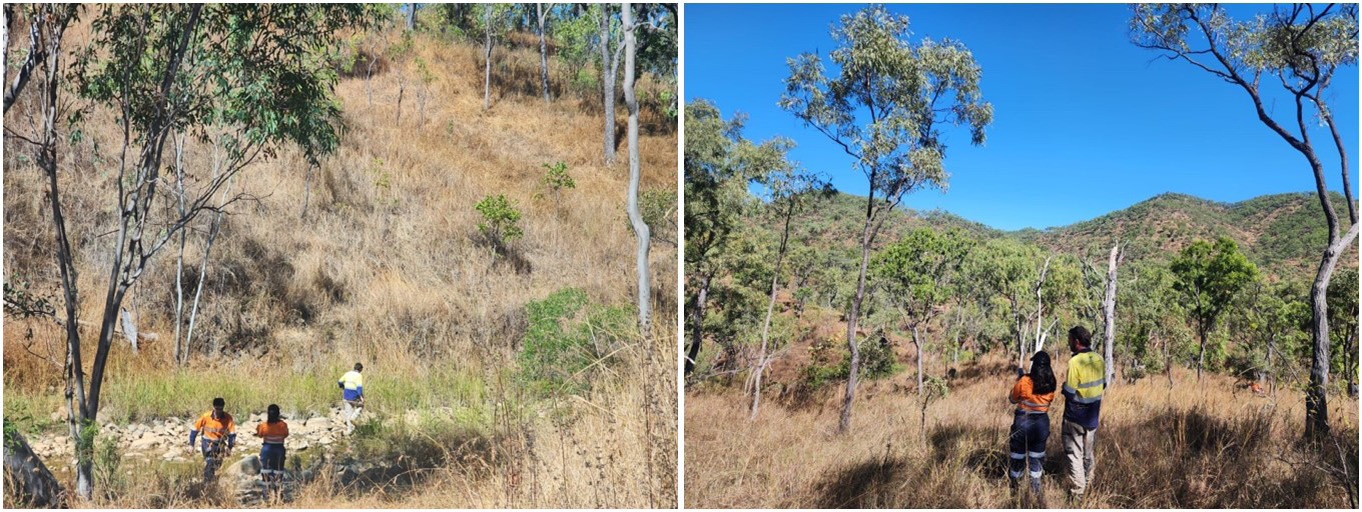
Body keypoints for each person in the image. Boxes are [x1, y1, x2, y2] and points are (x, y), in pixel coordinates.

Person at [1060, 326, 1106, 503]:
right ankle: (1089, 485)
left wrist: (1064, 388)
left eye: (1070, 340)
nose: (1068, 343)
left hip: (1074, 417)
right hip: (1092, 416)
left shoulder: (1075, 362)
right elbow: (1103, 385)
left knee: (1074, 455)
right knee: (1088, 454)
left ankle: (1078, 494)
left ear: (1077, 341)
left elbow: (1070, 392)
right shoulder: (1099, 359)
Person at [1008, 350, 1057, 499]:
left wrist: (1021, 379)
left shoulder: (1024, 382)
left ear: (1034, 365)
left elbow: (1012, 399)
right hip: (1041, 423)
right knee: (1036, 458)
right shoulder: (1051, 383)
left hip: (1023, 422)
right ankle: (1036, 491)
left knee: (1017, 457)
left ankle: (1015, 491)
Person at [189, 397, 236, 482]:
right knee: (210, 461)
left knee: (217, 464)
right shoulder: (206, 416)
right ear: (213, 407)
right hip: (207, 442)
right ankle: (207, 483)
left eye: (221, 409)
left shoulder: (228, 418)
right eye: (217, 408)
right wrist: (191, 445)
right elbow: (194, 430)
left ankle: (211, 476)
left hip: (220, 443)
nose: (219, 411)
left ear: (223, 407)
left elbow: (232, 434)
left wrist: (229, 448)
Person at [254, 404, 289, 489]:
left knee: (266, 473)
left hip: (267, 450)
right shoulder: (283, 425)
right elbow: (285, 435)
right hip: (279, 449)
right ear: (278, 413)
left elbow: (259, 435)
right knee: (278, 472)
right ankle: (278, 496)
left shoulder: (263, 425)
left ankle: (267, 496)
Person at [338, 363, 365, 435]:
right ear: (360, 369)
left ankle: (350, 431)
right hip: (354, 397)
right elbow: (359, 387)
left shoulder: (347, 373)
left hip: (346, 396)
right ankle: (354, 417)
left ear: (354, 367)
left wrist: (342, 387)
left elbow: (339, 382)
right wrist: (362, 397)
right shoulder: (359, 375)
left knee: (348, 413)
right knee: (361, 406)